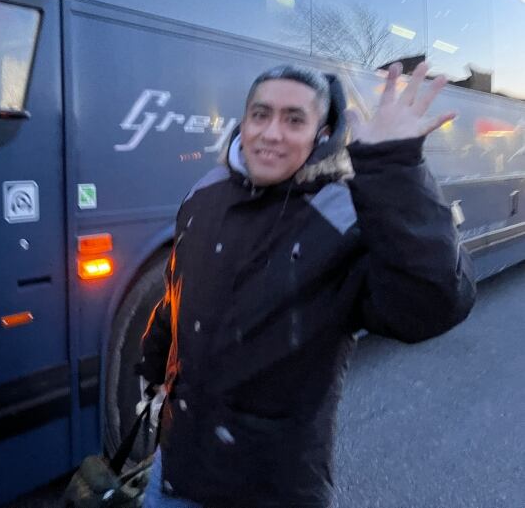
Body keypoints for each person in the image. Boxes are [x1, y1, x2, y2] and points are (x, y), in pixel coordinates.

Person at [138, 62, 476, 508]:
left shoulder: (342, 213)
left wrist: (395, 167)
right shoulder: (205, 194)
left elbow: (431, 305)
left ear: (322, 133)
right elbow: (176, 297)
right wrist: (151, 369)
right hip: (176, 471)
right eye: (261, 115)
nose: (272, 133)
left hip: (273, 487)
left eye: (294, 120)